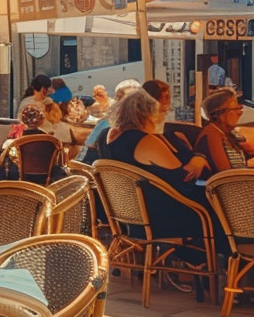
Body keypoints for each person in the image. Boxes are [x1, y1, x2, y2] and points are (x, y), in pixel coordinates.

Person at [96, 90, 216, 245]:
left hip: (126, 217)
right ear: (147, 114)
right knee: (219, 205)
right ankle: (224, 259)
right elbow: (184, 178)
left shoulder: (105, 136)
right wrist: (198, 159)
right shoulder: (146, 141)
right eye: (160, 112)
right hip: (159, 218)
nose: (162, 117)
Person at [80, 79, 141, 164]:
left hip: (106, 170)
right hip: (126, 171)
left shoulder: (107, 122)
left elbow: (89, 145)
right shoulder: (144, 126)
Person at [195, 88, 254, 173]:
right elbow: (226, 173)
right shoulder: (212, 133)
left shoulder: (232, 135)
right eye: (235, 109)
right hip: (226, 184)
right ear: (220, 114)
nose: (240, 112)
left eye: (239, 108)